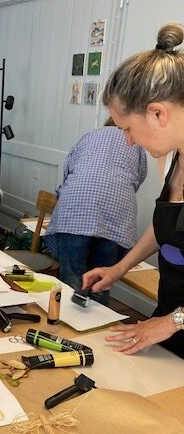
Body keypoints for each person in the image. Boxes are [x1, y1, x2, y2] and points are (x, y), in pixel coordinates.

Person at [82, 22, 184, 434]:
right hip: (176, 305)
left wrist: (171, 322)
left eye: (127, 128)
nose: (126, 141)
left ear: (158, 113)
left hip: (180, 315)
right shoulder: (175, 157)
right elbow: (165, 225)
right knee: (152, 385)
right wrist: (120, 268)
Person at [44, 118, 148, 305]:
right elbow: (138, 177)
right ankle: (99, 318)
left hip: (76, 208)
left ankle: (70, 318)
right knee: (102, 279)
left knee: (72, 279)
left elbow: (69, 168)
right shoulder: (136, 143)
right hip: (116, 212)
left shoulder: (90, 135)